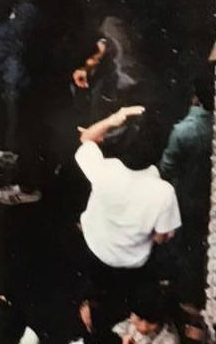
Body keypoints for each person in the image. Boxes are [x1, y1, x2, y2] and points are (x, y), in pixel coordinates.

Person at [75, 106, 182, 297]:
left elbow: (86, 139)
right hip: (134, 259)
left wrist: (113, 119)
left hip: (97, 246)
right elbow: (161, 237)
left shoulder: (104, 170)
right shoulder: (164, 193)